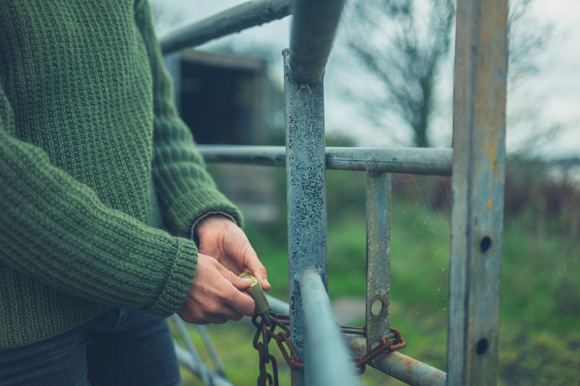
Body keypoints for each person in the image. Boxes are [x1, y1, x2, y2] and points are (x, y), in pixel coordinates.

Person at [0, 0, 270, 384]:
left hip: (136, 306)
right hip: (24, 323)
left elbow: (157, 118)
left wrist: (206, 214)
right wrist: (160, 272)